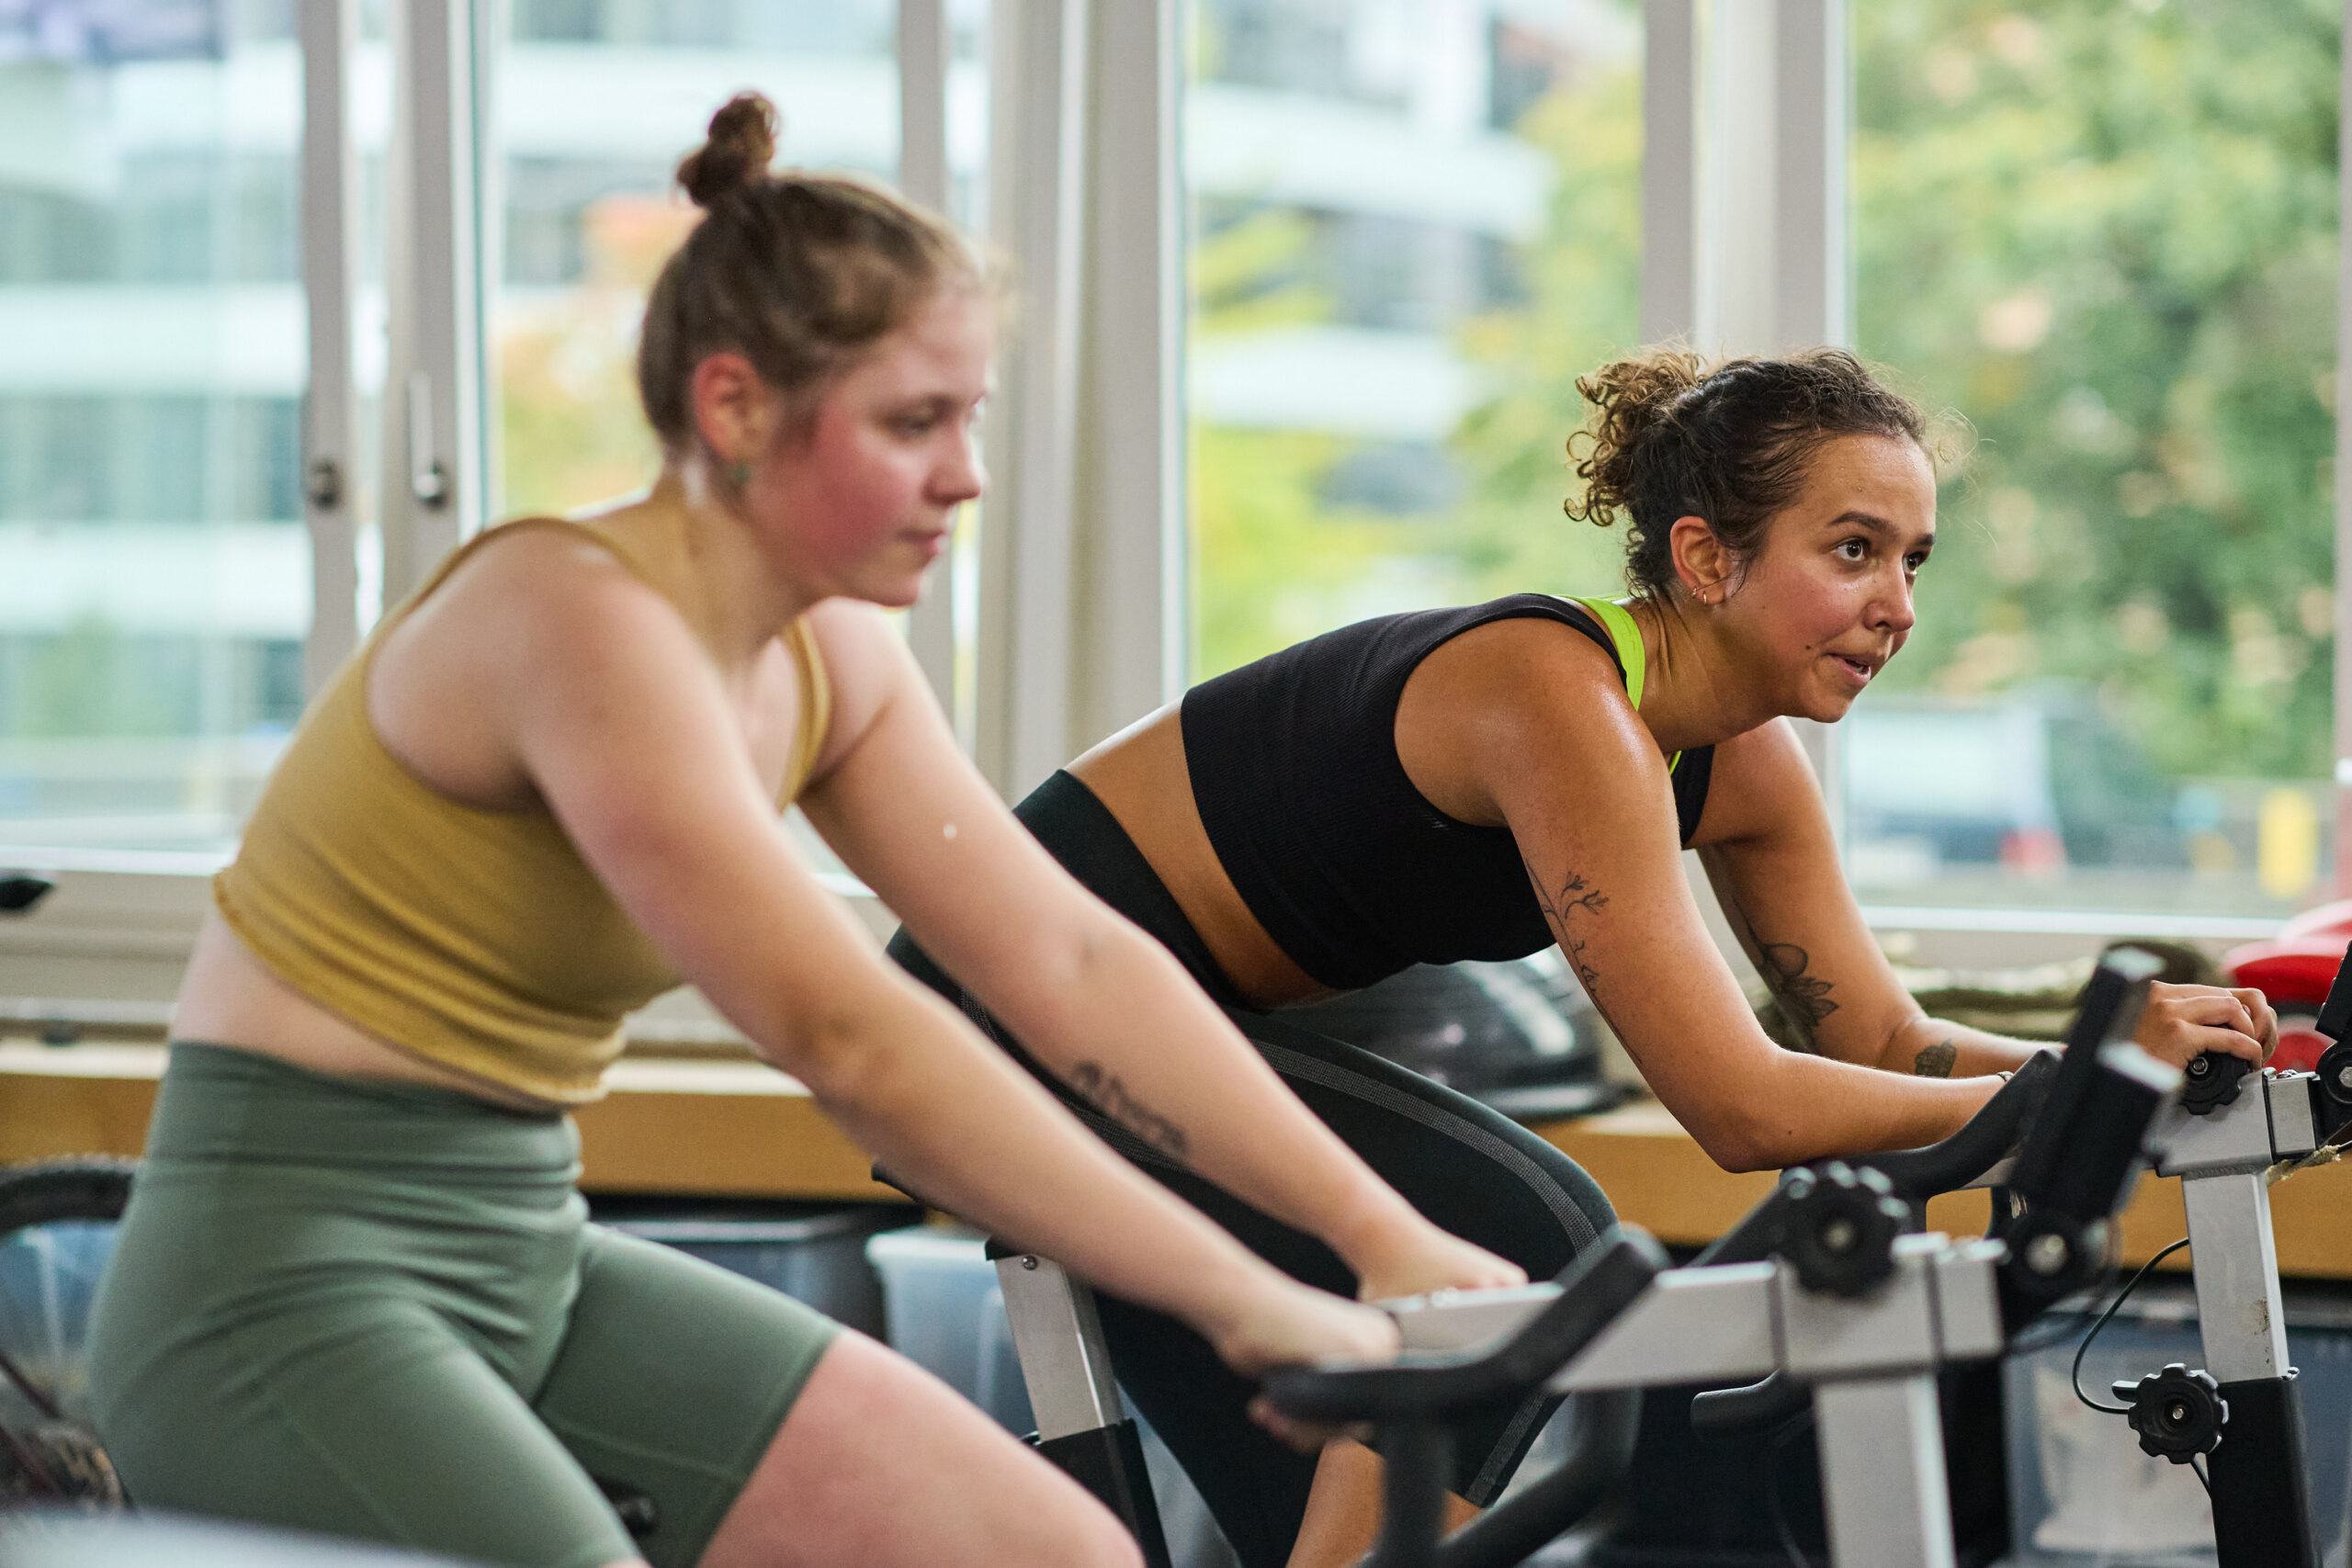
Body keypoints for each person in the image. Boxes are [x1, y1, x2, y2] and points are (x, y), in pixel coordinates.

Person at [85, 93, 1525, 1568]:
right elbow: (854, 1045)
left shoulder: (828, 652)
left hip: (517, 1247)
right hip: (272, 1287)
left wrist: (1376, 1231)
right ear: (734, 409)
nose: (964, 474)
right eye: (914, 423)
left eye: (968, 417)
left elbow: (1069, 964)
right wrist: (1244, 1297)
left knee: (1061, 1554)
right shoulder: (579, 622)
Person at [891, 344, 2281, 1567]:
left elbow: (1871, 1039)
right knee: (1522, 1224)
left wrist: (2131, 1064)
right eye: (1853, 550)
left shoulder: (1744, 764)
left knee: (1380, 1462)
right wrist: (2066, 1094)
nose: (1899, 605)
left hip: (1171, 1026)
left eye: (1914, 561)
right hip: (996, 1000)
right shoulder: (1556, 699)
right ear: (1704, 558)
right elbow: (1741, 1109)